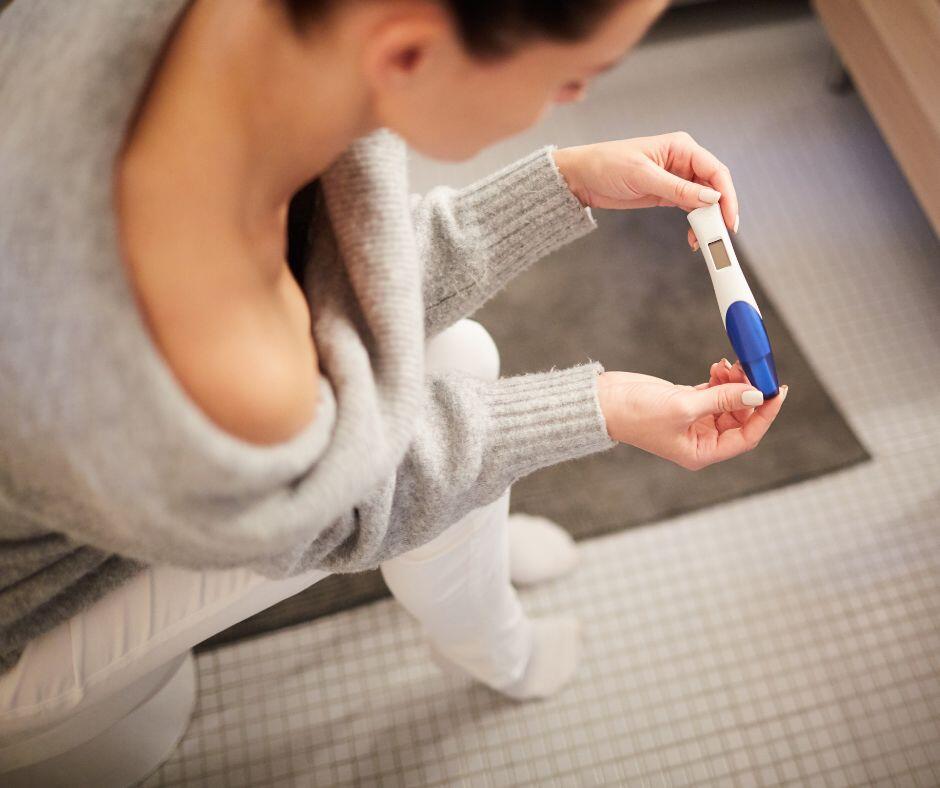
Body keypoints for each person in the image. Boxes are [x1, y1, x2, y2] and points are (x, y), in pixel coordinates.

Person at [0, 0, 787, 773]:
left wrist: (568, 180)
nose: (574, 102)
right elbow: (354, 506)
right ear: (409, 53)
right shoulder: (213, 362)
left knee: (463, 361)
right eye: (574, 77)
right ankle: (498, 653)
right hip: (25, 619)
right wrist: (601, 408)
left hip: (109, 476)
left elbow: (341, 263)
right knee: (454, 429)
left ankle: (478, 558)